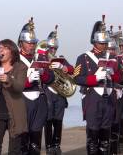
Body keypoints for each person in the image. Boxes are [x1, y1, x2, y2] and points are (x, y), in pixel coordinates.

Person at [74, 16, 123, 155]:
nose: (103, 45)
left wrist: (113, 73)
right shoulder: (83, 57)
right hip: (92, 97)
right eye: (101, 43)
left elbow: (121, 78)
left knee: (105, 137)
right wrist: (94, 78)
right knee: (93, 136)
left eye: (105, 43)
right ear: (95, 41)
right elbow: (77, 78)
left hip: (108, 97)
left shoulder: (113, 58)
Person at [18, 18, 55, 155]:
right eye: (29, 43)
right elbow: (11, 83)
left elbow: (51, 78)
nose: (32, 45)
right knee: (23, 140)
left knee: (36, 141)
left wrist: (43, 73)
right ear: (21, 43)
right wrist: (27, 81)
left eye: (33, 43)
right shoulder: (15, 59)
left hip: (39, 100)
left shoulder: (40, 58)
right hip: (22, 100)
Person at [43, 26, 74, 155]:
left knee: (58, 120)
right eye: (51, 48)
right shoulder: (43, 59)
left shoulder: (60, 58)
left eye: (55, 48)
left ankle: (57, 145)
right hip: (48, 92)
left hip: (60, 94)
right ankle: (49, 146)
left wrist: (64, 67)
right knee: (48, 120)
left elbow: (72, 69)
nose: (53, 50)